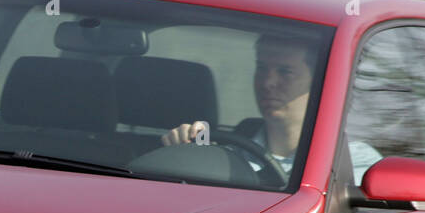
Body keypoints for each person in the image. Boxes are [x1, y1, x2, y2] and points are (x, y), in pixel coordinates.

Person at [159, 31, 381, 181]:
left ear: (319, 83)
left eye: (285, 72)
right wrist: (184, 154)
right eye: (262, 68)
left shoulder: (355, 165)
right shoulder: (225, 153)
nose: (267, 83)